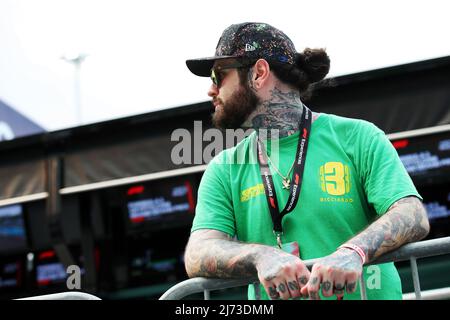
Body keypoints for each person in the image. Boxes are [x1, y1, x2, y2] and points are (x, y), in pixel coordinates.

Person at [183, 22, 430, 300]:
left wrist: (354, 252)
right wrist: (260, 256)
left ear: (259, 73)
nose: (211, 90)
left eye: (219, 76)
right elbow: (198, 252)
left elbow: (412, 214)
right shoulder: (224, 168)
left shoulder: (357, 137)